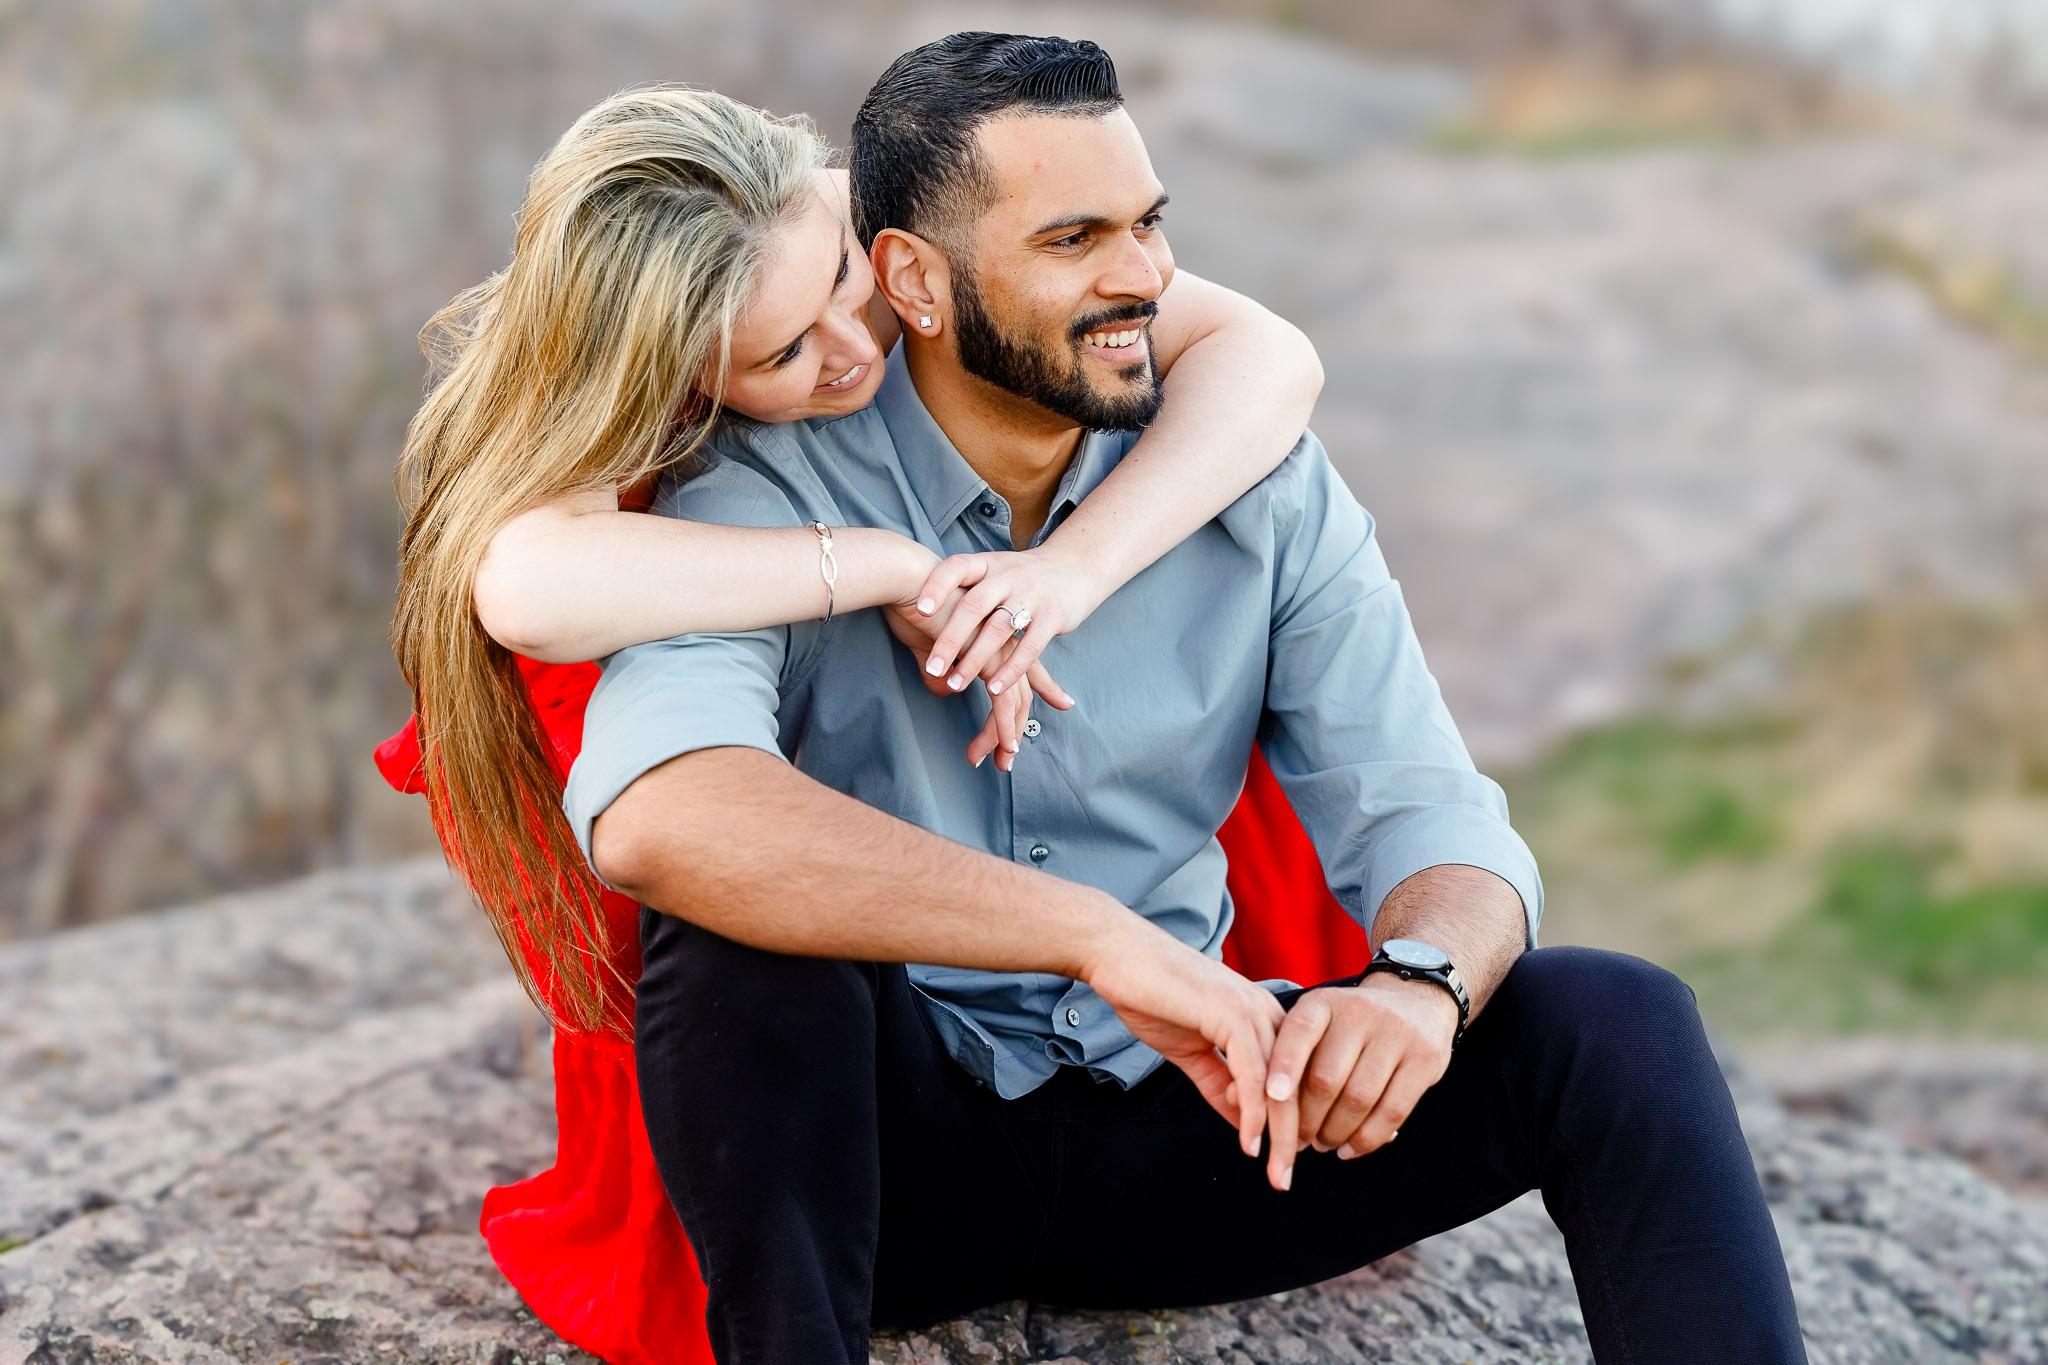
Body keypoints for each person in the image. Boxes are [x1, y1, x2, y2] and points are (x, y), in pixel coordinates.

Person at [564, 31, 1810, 1365]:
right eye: (1074, 240)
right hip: (886, 1167)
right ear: (914, 281)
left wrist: (1419, 990)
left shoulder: (1256, 484)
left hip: (1203, 1129)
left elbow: (1429, 809)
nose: (1144, 279)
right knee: (740, 939)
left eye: (1151, 227)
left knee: (1616, 1022)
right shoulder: (768, 497)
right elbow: (659, 816)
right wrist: (1089, 934)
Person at [379, 78, 1350, 1364]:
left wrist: (1070, 575)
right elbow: (521, 586)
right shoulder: (622, 396)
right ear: (672, 372)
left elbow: (1268, 357)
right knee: (735, 912)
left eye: (843, 279)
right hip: (748, 687)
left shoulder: (858, 217)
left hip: (1059, 736)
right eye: (783, 356)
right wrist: (879, 566)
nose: (855, 344)